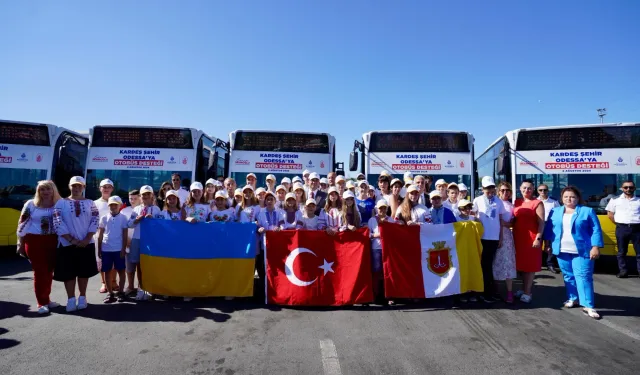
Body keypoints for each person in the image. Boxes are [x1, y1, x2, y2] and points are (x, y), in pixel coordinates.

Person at [545, 186, 604, 319]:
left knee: (584, 276)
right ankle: (573, 298)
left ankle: (588, 305)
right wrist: (547, 244)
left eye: (572, 196)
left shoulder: (587, 211)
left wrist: (595, 246)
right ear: (562, 198)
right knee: (568, 276)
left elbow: (596, 229)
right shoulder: (555, 211)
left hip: (582, 250)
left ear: (578, 198)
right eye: (566, 197)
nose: (569, 199)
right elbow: (549, 229)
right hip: (562, 250)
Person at [52, 176, 100, 312]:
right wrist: (71, 240)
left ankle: (83, 298)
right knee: (69, 273)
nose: (77, 188)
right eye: (74, 185)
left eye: (79, 186)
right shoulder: (61, 203)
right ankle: (71, 299)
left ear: (84, 187)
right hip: (67, 244)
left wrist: (87, 238)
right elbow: (57, 222)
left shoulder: (91, 203)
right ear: (69, 186)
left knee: (84, 272)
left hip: (86, 243)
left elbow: (95, 220)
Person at [16, 180, 62, 314]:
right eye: (42, 189)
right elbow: (22, 224)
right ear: (38, 191)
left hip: (53, 241)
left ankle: (47, 299)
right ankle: (41, 303)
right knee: (40, 272)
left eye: (48, 189)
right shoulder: (30, 204)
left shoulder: (59, 205)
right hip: (34, 241)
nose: (46, 192)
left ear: (53, 190)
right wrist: (20, 243)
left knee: (49, 272)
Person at [472, 176, 507, 303]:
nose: (490, 191)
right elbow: (472, 215)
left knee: (488, 265)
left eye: (492, 188)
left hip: (493, 238)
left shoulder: (498, 201)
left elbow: (501, 220)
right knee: (482, 265)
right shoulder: (477, 200)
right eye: (487, 188)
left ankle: (486, 292)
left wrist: (501, 237)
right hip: (481, 237)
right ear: (482, 188)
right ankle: (481, 292)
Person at [128, 185, 163, 301]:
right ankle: (141, 288)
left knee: (150, 265)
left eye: (148, 194)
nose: (146, 196)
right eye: (143, 194)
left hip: (151, 240)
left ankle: (150, 289)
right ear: (140, 196)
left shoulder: (157, 210)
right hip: (137, 239)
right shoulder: (136, 209)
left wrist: (153, 220)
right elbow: (129, 224)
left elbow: (161, 226)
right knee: (138, 265)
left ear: (152, 195)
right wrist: (136, 220)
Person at [513, 179, 545, 304]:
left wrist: (538, 238)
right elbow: (514, 220)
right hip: (518, 238)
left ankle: (528, 292)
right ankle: (522, 289)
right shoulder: (517, 202)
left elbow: (541, 223)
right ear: (520, 188)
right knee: (521, 266)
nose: (527, 190)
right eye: (524, 188)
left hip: (531, 239)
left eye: (530, 188)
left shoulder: (537, 203)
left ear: (533, 190)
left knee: (529, 267)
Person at [606, 180, 640, 278]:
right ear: (622, 188)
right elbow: (610, 214)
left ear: (634, 188)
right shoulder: (614, 200)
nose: (628, 189)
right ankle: (623, 271)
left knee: (639, 253)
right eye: (626, 187)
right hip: (622, 228)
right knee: (621, 252)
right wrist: (619, 223)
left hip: (637, 228)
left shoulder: (638, 200)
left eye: (631, 187)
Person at [97, 196, 128, 303]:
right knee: (107, 271)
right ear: (108, 206)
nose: (113, 207)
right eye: (111, 205)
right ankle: (110, 294)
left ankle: (121, 292)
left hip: (118, 248)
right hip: (106, 249)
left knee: (121, 270)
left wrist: (123, 249)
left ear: (119, 205)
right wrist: (99, 249)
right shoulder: (104, 218)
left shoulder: (123, 218)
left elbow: (125, 234)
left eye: (115, 205)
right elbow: (100, 235)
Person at [493, 182, 517, 304]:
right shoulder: (495, 203)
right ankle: (495, 291)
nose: (505, 192)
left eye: (507, 190)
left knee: (508, 263)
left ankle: (509, 292)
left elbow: (513, 223)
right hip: (493, 235)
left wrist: (505, 224)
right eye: (502, 190)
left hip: (506, 236)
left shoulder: (511, 206)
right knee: (495, 262)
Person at [368, 199, 395, 304]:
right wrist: (377, 235)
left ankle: (389, 295)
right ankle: (376, 295)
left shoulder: (391, 220)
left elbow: (394, 234)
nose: (382, 210)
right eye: (380, 208)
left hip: (388, 249)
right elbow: (368, 234)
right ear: (376, 209)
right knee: (376, 272)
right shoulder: (371, 220)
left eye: (384, 208)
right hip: (376, 249)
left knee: (388, 272)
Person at [94, 178, 115, 294]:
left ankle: (113, 281)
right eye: (104, 187)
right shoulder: (95, 203)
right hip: (100, 237)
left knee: (115, 260)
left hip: (115, 236)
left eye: (109, 187)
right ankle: (103, 282)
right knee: (101, 260)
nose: (106, 189)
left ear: (112, 189)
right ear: (100, 188)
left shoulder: (117, 201)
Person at [537, 183, 561, 273]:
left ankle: (550, 264)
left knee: (550, 246)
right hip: (538, 225)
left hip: (550, 225)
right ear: (538, 191)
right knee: (537, 245)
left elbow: (559, 213)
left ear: (548, 191)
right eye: (540, 190)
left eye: (545, 190)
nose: (543, 192)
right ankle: (537, 264)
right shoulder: (535, 201)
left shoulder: (554, 201)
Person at [120, 190, 140, 295]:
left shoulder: (143, 209)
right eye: (130, 198)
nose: (132, 201)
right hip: (127, 243)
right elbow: (122, 227)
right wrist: (126, 240)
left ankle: (141, 287)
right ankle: (131, 286)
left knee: (140, 267)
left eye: (135, 198)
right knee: (129, 267)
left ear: (140, 197)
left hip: (140, 242)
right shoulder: (124, 211)